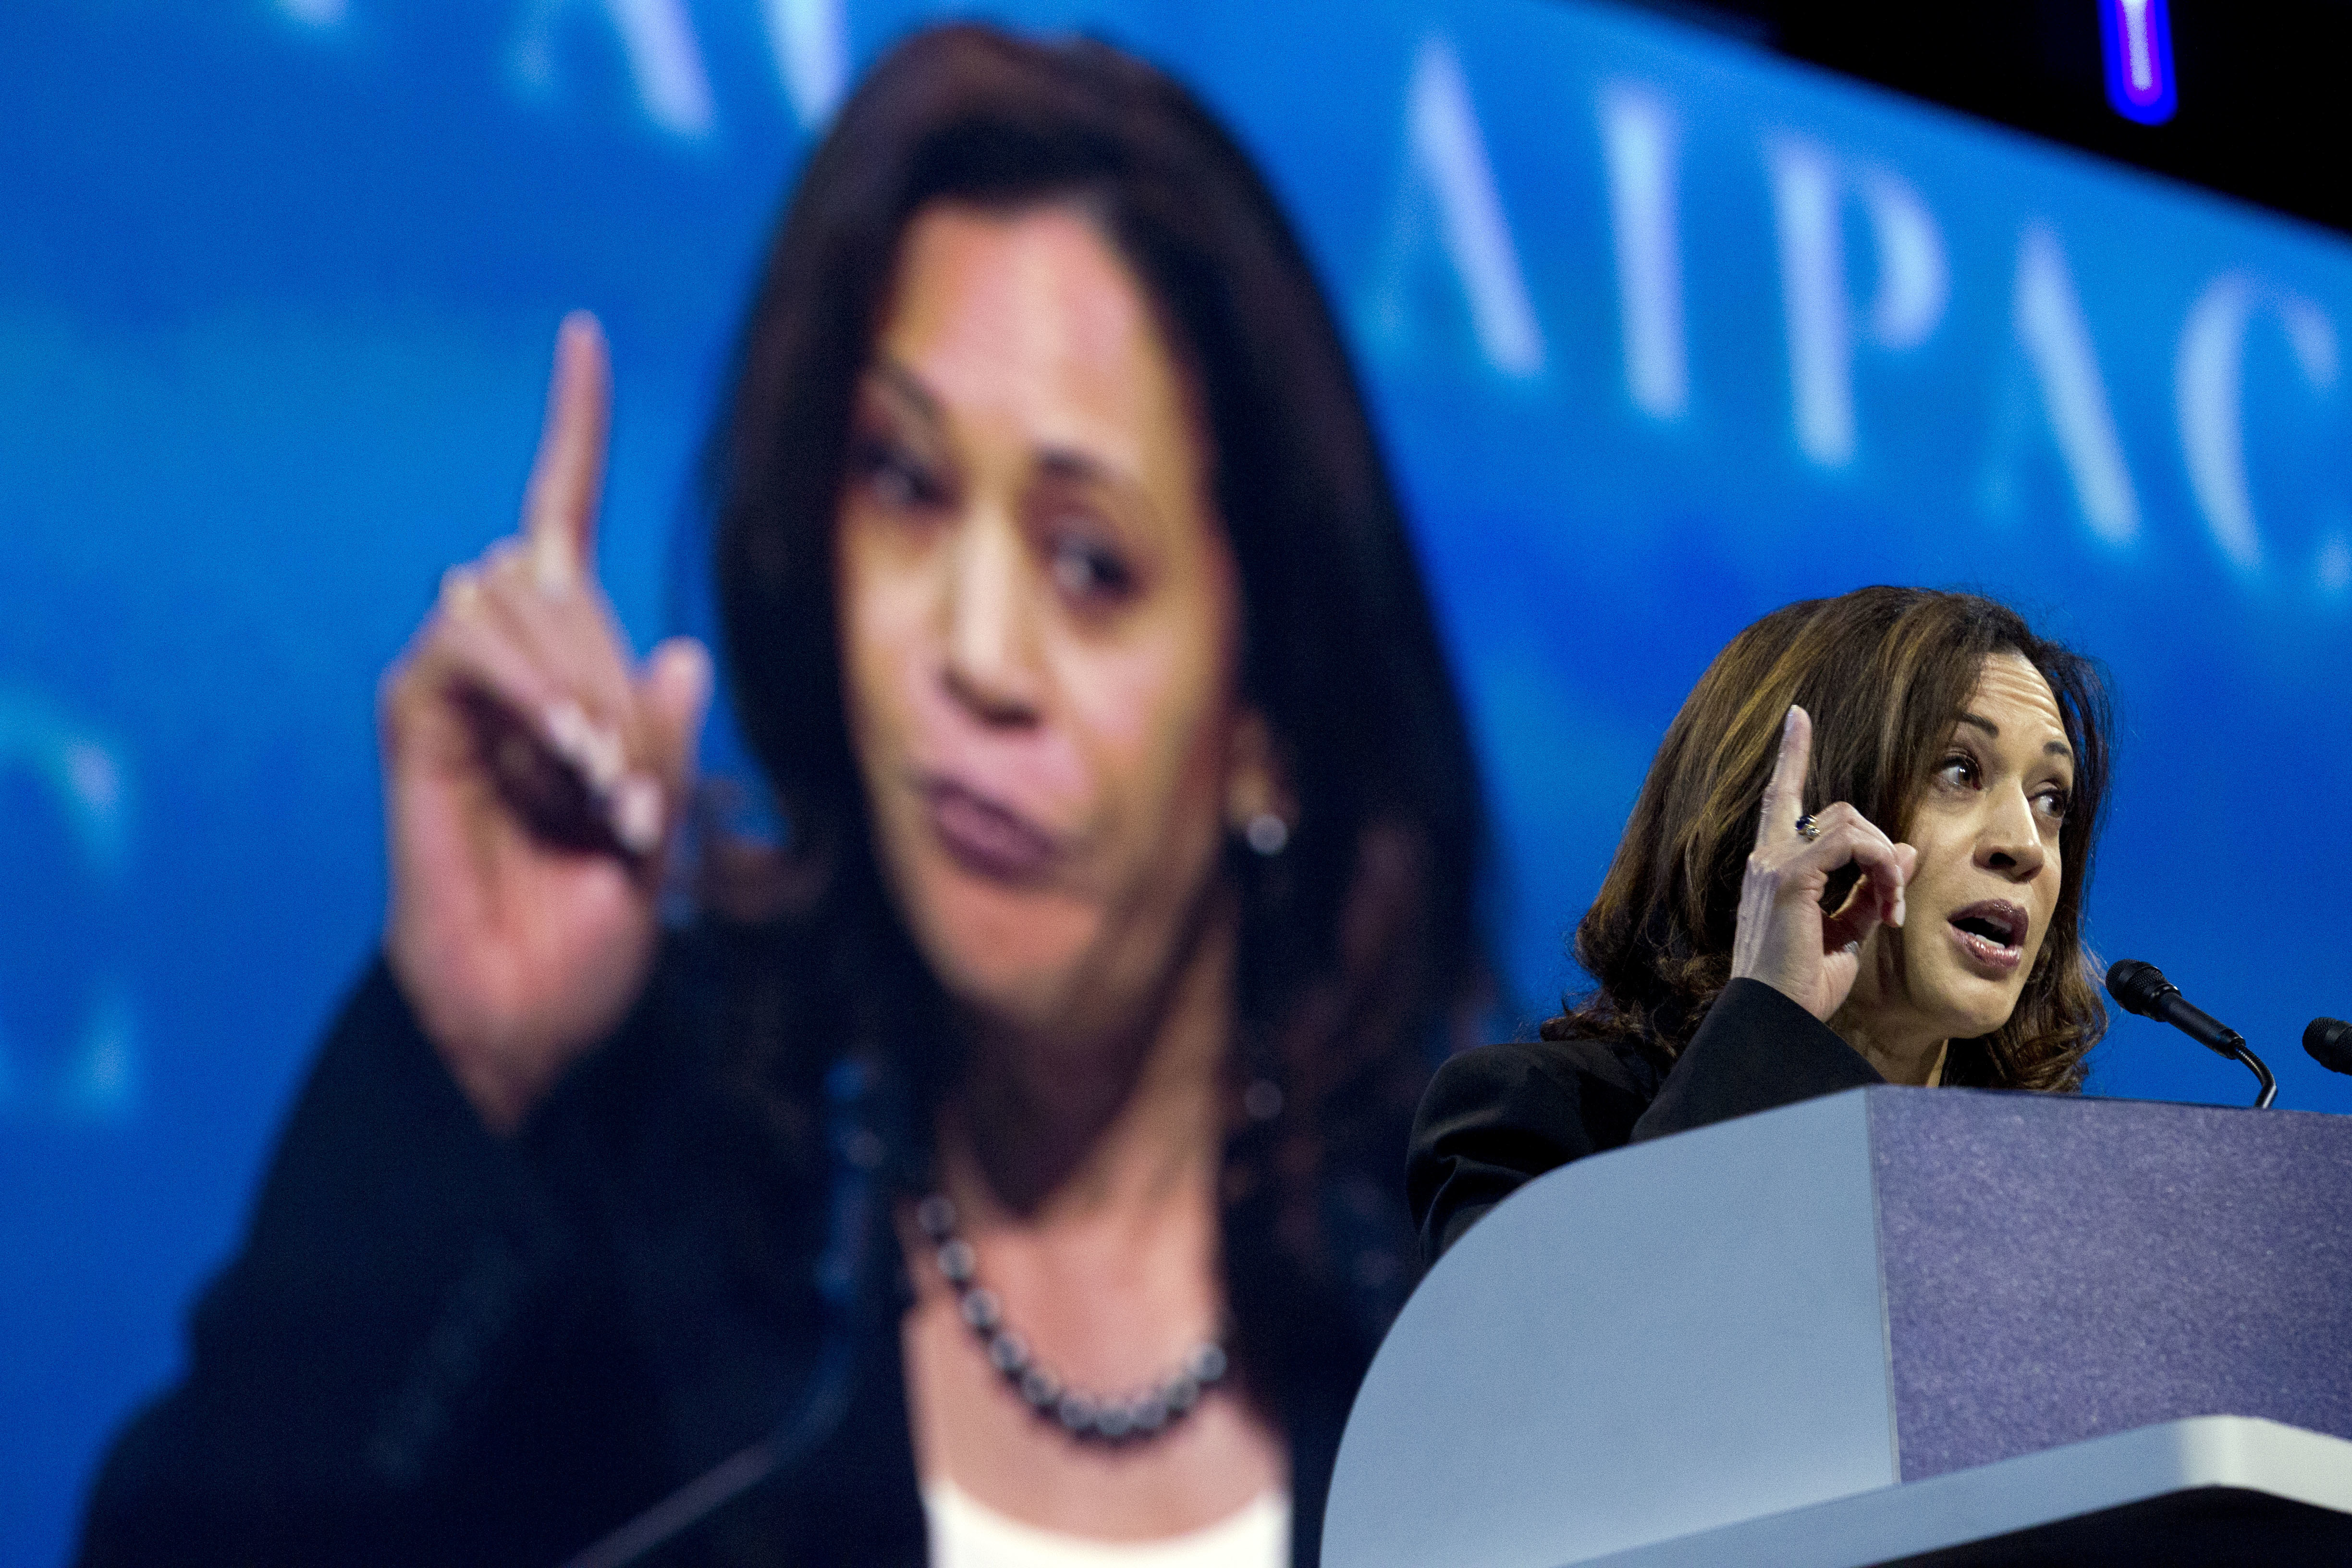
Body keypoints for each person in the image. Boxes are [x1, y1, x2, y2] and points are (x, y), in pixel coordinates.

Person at [77, 25, 1489, 1568]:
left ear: (1265, 718)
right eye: (906, 487)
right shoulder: (650, 1219)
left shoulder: (1459, 1336)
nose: (972, 655)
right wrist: (461, 1066)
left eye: (1090, 565)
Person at [1409, 586, 2110, 1264]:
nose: (2025, 844)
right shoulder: (1533, 1119)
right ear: (1800, 819)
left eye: (2052, 800)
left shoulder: (2050, 1205)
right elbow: (1564, 1367)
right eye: (1959, 770)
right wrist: (1772, 1020)